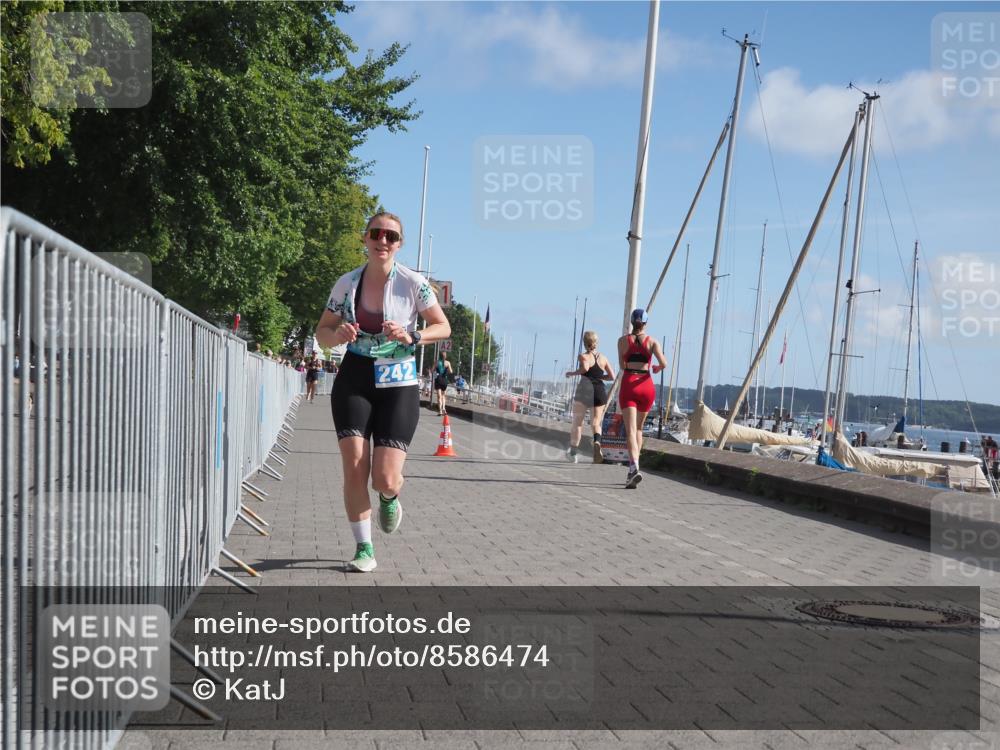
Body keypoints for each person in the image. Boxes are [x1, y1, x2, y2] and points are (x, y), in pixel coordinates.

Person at [316, 212, 451, 573]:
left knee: (384, 478)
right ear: (365, 238)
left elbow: (443, 326)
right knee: (354, 468)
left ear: (399, 244)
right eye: (376, 234)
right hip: (355, 377)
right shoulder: (346, 284)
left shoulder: (413, 283)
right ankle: (364, 548)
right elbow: (322, 333)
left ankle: (390, 496)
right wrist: (337, 335)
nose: (383, 241)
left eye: (391, 236)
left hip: (398, 380)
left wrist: (413, 335)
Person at [617, 309, 667, 488]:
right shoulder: (652, 341)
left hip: (630, 383)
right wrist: (657, 368)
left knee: (630, 430)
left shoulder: (622, 341)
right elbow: (664, 363)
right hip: (646, 385)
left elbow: (622, 365)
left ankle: (633, 468)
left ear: (632, 322)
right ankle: (635, 467)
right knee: (638, 429)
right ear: (645, 323)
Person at [564, 331, 615, 463]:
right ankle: (597, 441)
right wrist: (600, 377)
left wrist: (572, 373)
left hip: (584, 390)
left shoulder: (583, 356)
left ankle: (573, 453)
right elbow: (612, 376)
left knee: (577, 423)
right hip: (599, 391)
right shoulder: (603, 358)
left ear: (585, 343)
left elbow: (585, 368)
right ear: (596, 342)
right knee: (596, 422)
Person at [433, 351, 453, 416]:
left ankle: (440, 411)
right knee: (443, 395)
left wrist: (436, 372)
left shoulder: (436, 362)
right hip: (444, 380)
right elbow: (451, 371)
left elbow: (432, 370)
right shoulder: (448, 363)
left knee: (439, 396)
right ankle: (444, 408)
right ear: (445, 356)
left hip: (438, 379)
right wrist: (446, 370)